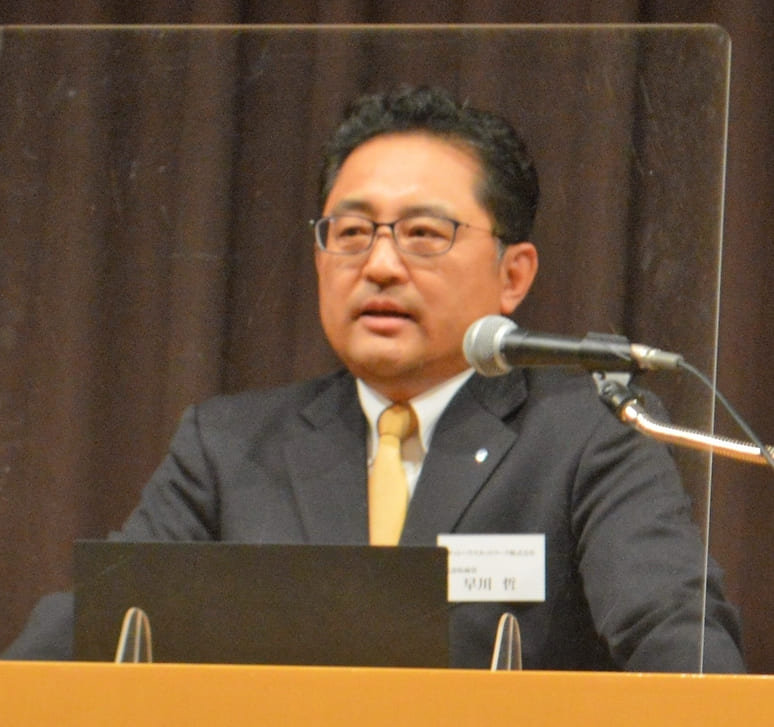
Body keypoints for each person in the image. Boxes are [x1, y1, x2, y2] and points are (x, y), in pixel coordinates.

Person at [2, 85, 744, 671]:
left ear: (513, 275)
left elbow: (675, 634)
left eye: (424, 234)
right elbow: (88, 630)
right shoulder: (228, 447)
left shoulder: (588, 433)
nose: (380, 264)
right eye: (352, 232)